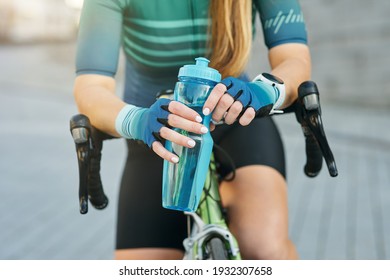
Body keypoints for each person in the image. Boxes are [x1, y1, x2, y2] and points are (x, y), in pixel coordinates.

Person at [73, 0, 311, 260]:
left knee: (264, 247)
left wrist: (263, 91)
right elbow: (90, 87)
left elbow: (294, 59)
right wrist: (137, 121)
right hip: (157, 130)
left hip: (238, 118)